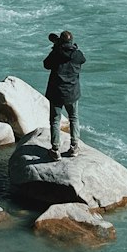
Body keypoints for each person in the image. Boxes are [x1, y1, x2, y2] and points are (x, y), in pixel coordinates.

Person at [44, 29, 85, 160]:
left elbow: (46, 64)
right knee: (74, 118)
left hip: (56, 92)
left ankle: (55, 149)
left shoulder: (56, 54)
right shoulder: (77, 54)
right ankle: (74, 147)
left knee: (55, 121)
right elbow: (82, 59)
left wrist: (56, 48)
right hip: (72, 93)